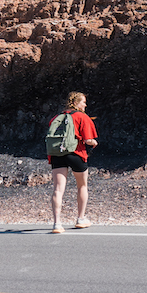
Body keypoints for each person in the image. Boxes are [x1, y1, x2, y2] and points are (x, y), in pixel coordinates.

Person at [48, 91, 98, 233]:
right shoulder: (82, 117)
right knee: (82, 186)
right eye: (83, 101)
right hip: (76, 153)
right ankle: (80, 219)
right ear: (76, 103)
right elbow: (88, 140)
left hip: (57, 154)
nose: (85, 104)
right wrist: (94, 142)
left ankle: (57, 224)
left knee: (58, 189)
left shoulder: (56, 118)